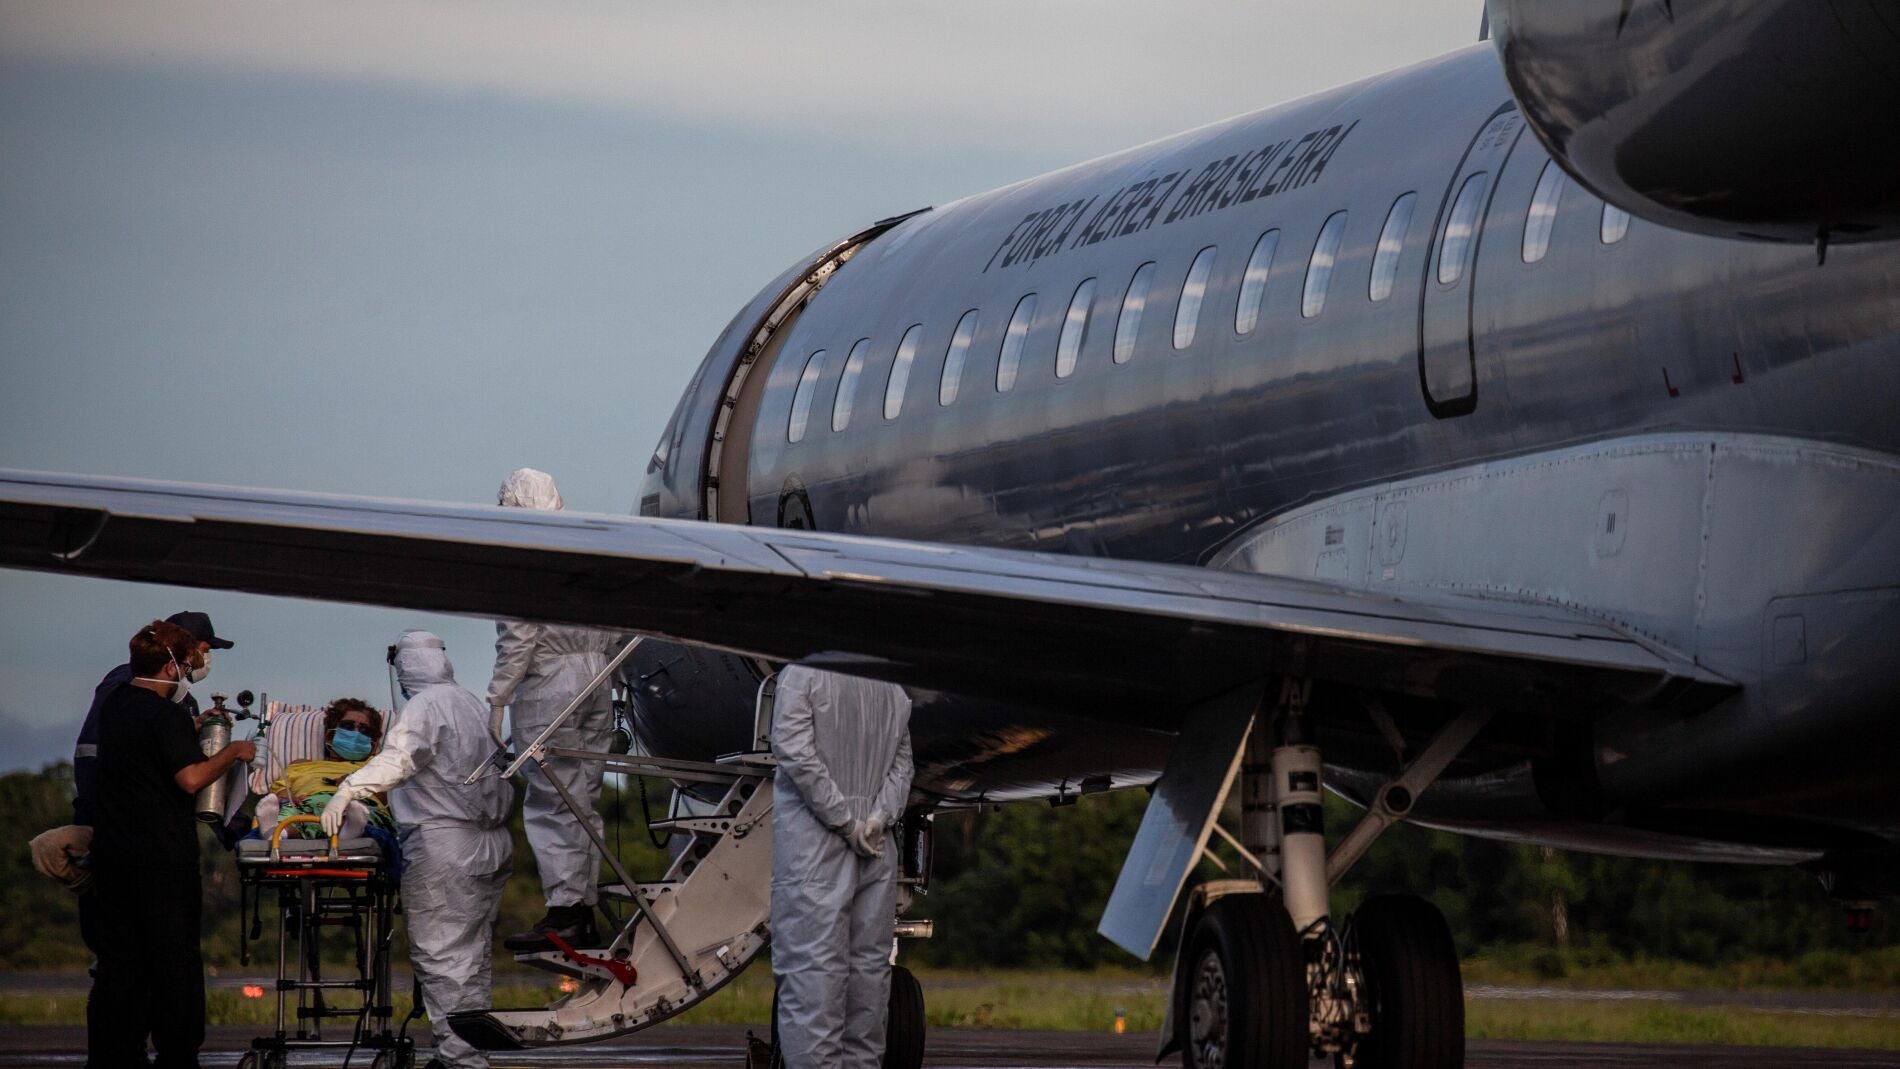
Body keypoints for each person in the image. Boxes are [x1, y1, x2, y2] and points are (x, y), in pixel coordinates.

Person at [321, 631, 512, 1069]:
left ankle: (460, 1060)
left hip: (447, 844)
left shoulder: (426, 706)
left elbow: (401, 758)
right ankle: (465, 1051)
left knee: (443, 956)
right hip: (489, 842)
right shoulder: (469, 703)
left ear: (404, 666)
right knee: (472, 957)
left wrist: (349, 789)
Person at [87, 620, 256, 1069]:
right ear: (170, 667)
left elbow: (146, 748)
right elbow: (191, 778)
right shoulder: (167, 716)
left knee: (120, 962)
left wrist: (190, 727)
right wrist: (233, 752)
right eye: (186, 662)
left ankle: (115, 1054)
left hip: (113, 854)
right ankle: (177, 1053)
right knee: (173, 959)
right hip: (161, 857)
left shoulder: (116, 703)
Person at [486, 468, 623, 952]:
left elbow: (518, 638)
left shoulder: (524, 557)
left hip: (551, 682)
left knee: (554, 801)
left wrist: (498, 698)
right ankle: (582, 909)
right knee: (583, 799)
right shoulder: (588, 551)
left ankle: (566, 913)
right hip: (598, 676)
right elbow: (617, 623)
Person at [770, 664, 914, 1069]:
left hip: (815, 845)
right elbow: (903, 765)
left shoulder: (801, 675)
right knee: (869, 977)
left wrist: (844, 821)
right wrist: (878, 817)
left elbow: (795, 752)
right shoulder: (890, 684)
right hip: (877, 844)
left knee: (812, 977)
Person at [70, 611, 233, 957]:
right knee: (133, 936)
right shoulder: (130, 687)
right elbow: (181, 772)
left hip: (140, 834)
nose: (204, 661)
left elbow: (155, 744)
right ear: (180, 652)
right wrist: (233, 753)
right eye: (203, 651)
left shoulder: (173, 700)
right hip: (130, 832)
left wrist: (190, 727)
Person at [253, 698, 396, 840]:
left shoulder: (376, 765)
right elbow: (281, 789)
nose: (356, 732)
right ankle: (277, 833)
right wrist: (289, 796)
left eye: (365, 730)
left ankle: (350, 829)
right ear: (330, 735)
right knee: (291, 812)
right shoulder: (302, 765)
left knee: (361, 814)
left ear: (373, 745)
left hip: (357, 805)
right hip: (308, 804)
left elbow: (388, 798)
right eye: (347, 726)